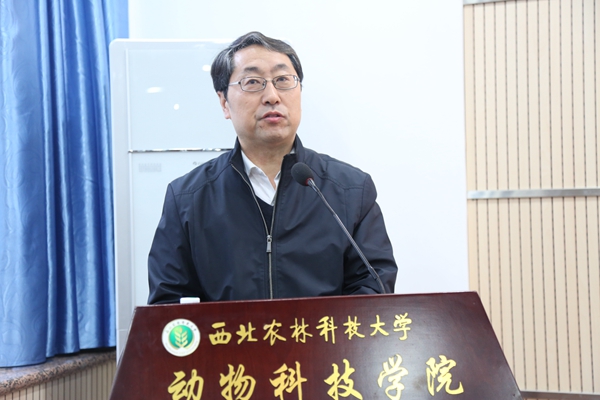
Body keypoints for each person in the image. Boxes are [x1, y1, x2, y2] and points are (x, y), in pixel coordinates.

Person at [147, 31, 397, 304]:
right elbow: (168, 305)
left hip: (321, 333)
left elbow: (374, 289)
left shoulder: (351, 190)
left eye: (283, 80)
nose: (272, 96)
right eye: (253, 82)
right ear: (224, 102)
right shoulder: (188, 198)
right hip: (229, 334)